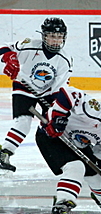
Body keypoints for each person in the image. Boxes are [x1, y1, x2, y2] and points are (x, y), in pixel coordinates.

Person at [0, 17, 73, 174]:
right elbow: (4, 47)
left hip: (48, 93)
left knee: (56, 125)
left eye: (59, 37)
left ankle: (66, 159)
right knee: (23, 122)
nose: (56, 41)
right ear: (44, 36)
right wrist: (9, 58)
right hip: (24, 86)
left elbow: (59, 89)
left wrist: (55, 112)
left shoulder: (65, 60)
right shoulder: (30, 45)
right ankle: (4, 153)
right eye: (52, 36)